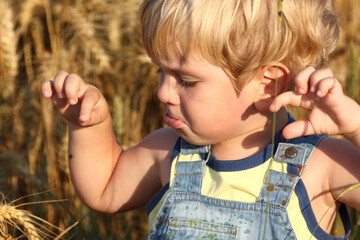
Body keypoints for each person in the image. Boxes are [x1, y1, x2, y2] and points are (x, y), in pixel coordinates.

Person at [41, 0, 360, 239]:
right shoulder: (169, 152)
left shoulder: (320, 165)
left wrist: (356, 128)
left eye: (186, 81)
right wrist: (90, 125)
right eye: (160, 72)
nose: (163, 92)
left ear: (269, 85)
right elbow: (104, 189)